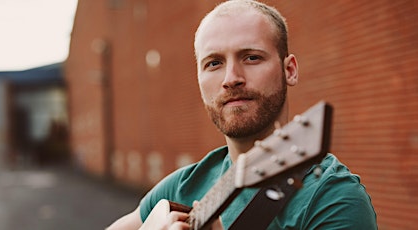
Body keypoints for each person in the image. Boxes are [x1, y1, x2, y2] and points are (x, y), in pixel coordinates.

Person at [107, 0, 377, 229]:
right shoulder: (181, 188)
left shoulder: (333, 199)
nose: (231, 78)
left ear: (290, 70)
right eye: (214, 63)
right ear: (199, 79)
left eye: (251, 57)